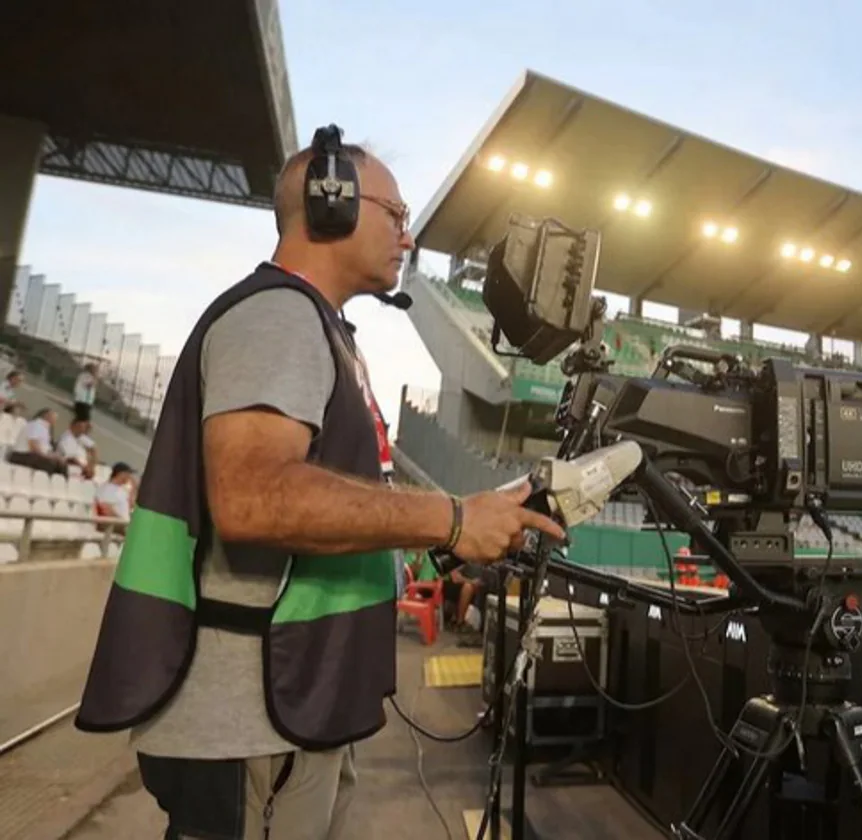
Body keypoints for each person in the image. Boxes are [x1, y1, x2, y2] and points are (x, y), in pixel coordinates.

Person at [75, 129, 565, 840]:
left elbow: (328, 514)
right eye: (394, 214)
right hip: (249, 720)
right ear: (329, 202)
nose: (408, 235)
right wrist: (454, 518)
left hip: (285, 715)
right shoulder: (278, 317)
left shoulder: (316, 327)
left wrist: (461, 529)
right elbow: (254, 499)